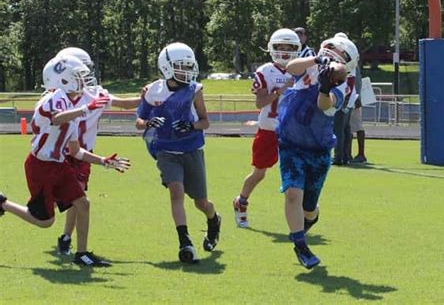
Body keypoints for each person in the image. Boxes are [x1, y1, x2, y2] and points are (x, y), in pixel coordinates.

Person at [0, 55, 130, 267]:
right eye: (78, 77)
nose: (83, 82)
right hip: (39, 166)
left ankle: (82, 254)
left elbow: (76, 152)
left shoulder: (71, 106)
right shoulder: (53, 99)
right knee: (46, 221)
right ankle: (3, 204)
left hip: (58, 165)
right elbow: (57, 117)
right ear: (63, 80)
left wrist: (103, 161)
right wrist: (87, 109)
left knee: (83, 203)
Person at [277, 36, 359, 269]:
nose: (332, 56)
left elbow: (325, 105)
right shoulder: (311, 61)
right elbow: (290, 67)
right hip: (291, 141)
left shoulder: (346, 82)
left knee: (309, 209)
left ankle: (306, 223)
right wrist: (316, 59)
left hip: (318, 148)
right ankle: (300, 245)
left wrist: (324, 86)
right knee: (293, 194)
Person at [135, 42, 221, 264]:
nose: (186, 71)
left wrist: (191, 126)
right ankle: (185, 241)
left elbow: (205, 122)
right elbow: (138, 121)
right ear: (167, 67)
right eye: (181, 66)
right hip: (166, 150)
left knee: (201, 202)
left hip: (191, 149)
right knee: (176, 192)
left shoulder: (194, 90)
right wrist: (148, 123)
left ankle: (213, 219)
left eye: (187, 66)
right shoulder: (153, 91)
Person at [54, 47, 141, 255]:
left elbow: (124, 104)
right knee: (52, 207)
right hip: (59, 154)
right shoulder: (57, 97)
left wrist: (146, 97)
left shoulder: (96, 93)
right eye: (82, 71)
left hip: (84, 155)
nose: (86, 75)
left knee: (79, 196)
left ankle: (66, 237)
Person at [232, 28, 300, 228]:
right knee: (259, 172)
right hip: (268, 129)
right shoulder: (265, 71)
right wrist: (281, 90)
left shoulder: (301, 70)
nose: (285, 51)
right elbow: (260, 103)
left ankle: (301, 212)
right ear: (273, 48)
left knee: (295, 174)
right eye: (281, 47)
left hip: (293, 132)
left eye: (290, 47)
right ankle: (241, 201)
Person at [329, 32, 360, 165]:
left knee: (338, 129)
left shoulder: (346, 65)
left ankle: (338, 157)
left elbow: (350, 83)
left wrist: (345, 101)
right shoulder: (350, 62)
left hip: (343, 98)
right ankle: (346, 156)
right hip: (349, 98)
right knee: (345, 129)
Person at [349, 66, 368, 163]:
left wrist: (357, 98)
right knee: (347, 127)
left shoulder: (353, 67)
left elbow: (357, 83)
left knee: (357, 126)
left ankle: (361, 154)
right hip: (348, 99)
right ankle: (347, 153)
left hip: (353, 99)